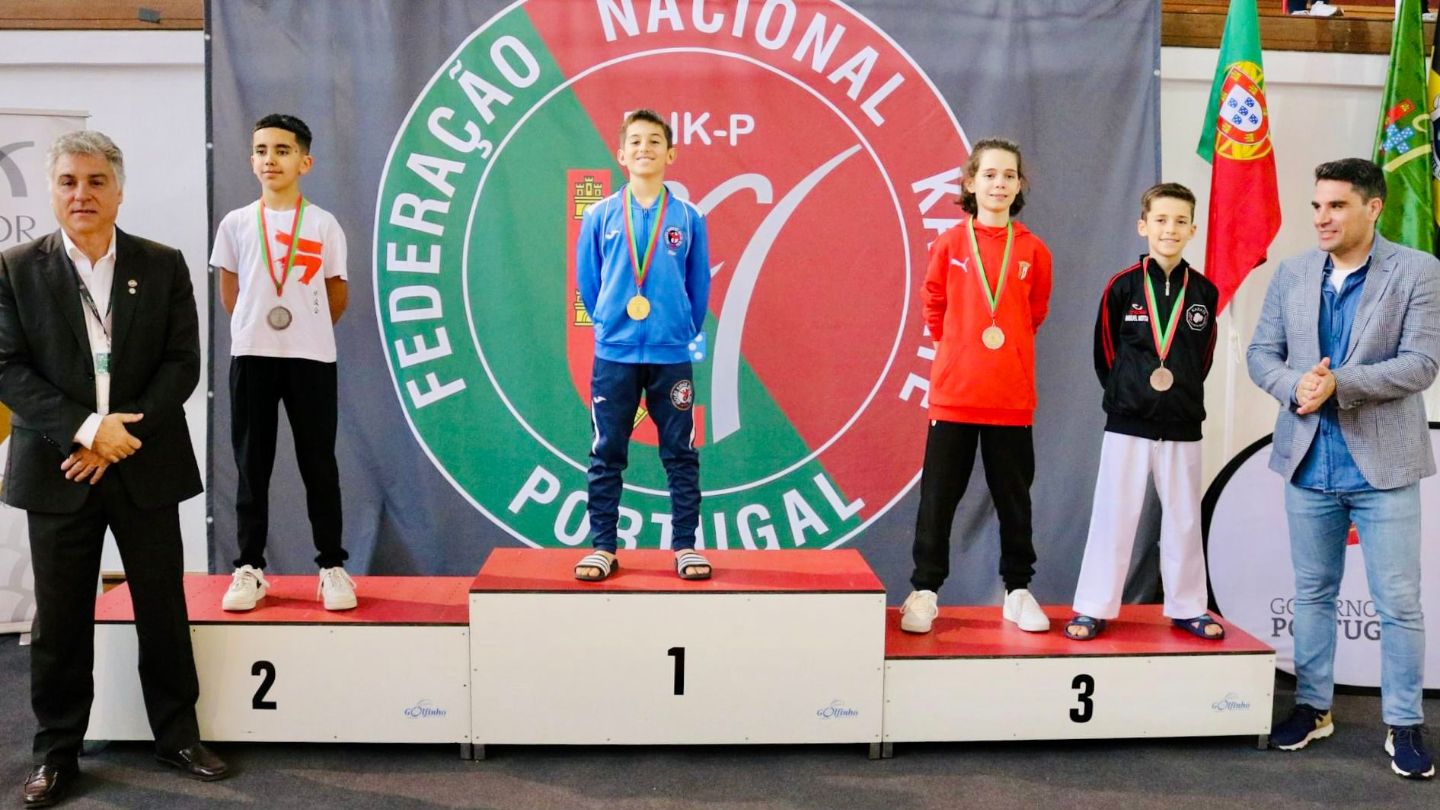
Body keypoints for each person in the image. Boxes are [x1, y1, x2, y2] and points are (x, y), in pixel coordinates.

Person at [0, 130, 227, 808]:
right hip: (59, 466)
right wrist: (86, 428)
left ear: (119, 190)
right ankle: (57, 753)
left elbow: (182, 363)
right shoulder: (14, 269)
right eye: (69, 181)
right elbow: (8, 368)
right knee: (60, 619)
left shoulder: (161, 264)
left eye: (96, 181)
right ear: (51, 191)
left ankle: (178, 736)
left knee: (162, 606)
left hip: (143, 461)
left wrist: (117, 434)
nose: (82, 194)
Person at [1248, 157, 1439, 778]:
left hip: (1384, 468)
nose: (1322, 218)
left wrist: (1340, 384)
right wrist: (1294, 385)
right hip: (1309, 463)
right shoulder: (1293, 272)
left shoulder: (1419, 271)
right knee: (1312, 594)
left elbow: (1421, 364)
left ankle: (1404, 724)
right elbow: (1261, 353)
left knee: (1399, 603)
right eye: (1316, 205)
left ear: (1373, 207)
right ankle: (1313, 708)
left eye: (1336, 205)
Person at [899, 138, 1054, 634]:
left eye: (1009, 175)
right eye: (989, 175)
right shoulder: (948, 244)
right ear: (970, 183)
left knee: (1014, 501)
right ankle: (925, 591)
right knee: (938, 500)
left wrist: (1002, 354)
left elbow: (1034, 313)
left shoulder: (1033, 250)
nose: (999, 184)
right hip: (955, 397)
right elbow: (934, 307)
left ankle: (1017, 591)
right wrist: (962, 351)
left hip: (1011, 399)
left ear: (1020, 185)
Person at [1065, 182, 1223, 642]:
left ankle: (1188, 607)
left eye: (1180, 221)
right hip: (1128, 422)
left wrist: (1176, 396)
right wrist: (1129, 396)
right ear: (1143, 226)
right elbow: (1105, 354)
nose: (1169, 229)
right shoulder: (1122, 286)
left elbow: (1202, 358)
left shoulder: (1205, 291)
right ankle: (1093, 606)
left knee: (1183, 517)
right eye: (1160, 220)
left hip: (1182, 424)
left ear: (1193, 230)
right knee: (1113, 513)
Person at [210, 114, 353, 611]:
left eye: (282, 150)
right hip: (252, 355)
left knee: (319, 464)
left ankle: (331, 566)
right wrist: (257, 327)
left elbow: (337, 293)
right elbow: (230, 291)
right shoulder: (235, 223)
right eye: (261, 150)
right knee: (252, 465)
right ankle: (249, 567)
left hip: (311, 358)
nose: (270, 159)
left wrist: (304, 330)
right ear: (252, 160)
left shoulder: (323, 224)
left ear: (304, 162)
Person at [572, 109, 711, 581]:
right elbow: (589, 281)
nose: (644, 148)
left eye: (654, 141)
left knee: (680, 452)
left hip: (671, 356)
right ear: (620, 155)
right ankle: (603, 547)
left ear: (671, 154)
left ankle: (686, 547)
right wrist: (610, 323)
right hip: (615, 356)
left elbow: (699, 285)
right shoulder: (600, 215)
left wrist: (680, 329)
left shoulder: (689, 217)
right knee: (606, 451)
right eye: (635, 141)